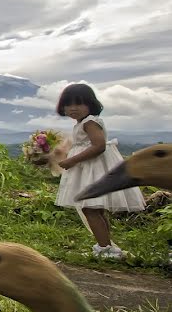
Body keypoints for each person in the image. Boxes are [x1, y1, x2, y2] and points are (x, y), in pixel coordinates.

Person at [54, 83, 145, 259]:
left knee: (90, 208)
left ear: (90, 104)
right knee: (95, 209)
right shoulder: (84, 122)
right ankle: (106, 246)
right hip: (90, 168)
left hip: (92, 169)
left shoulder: (89, 122)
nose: (73, 108)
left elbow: (99, 146)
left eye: (78, 104)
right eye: (68, 104)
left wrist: (72, 160)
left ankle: (105, 248)